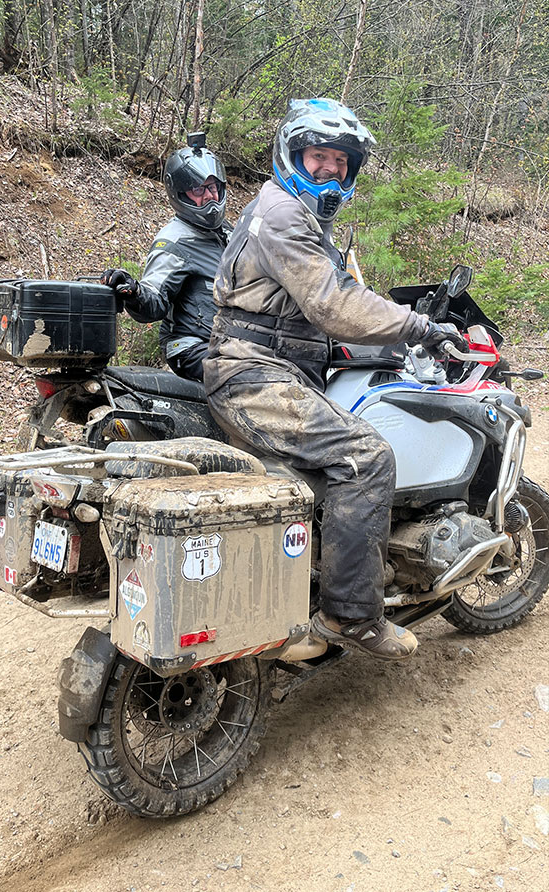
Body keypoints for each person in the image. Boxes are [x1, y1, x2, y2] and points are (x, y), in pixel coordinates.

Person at [201, 98, 465, 660]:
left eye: (342, 162)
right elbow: (332, 303)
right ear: (292, 155)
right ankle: (349, 616)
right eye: (319, 156)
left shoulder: (292, 215)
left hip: (269, 367)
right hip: (254, 375)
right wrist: (420, 326)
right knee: (366, 457)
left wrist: (389, 332)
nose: (331, 170)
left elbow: (318, 307)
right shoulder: (283, 214)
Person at [100, 134, 229, 382]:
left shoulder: (230, 233)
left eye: (212, 187)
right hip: (192, 346)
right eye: (198, 189)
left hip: (232, 344)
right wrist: (135, 292)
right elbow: (154, 300)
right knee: (252, 379)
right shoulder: (174, 242)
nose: (209, 196)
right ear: (180, 194)